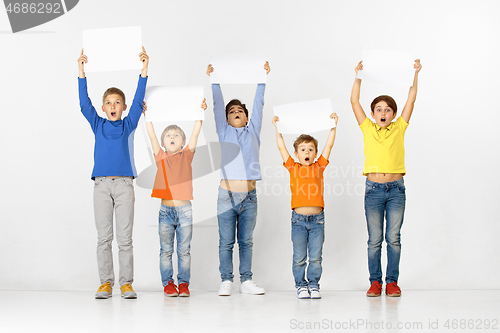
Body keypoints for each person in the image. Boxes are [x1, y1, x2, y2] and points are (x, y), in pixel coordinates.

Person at [77, 47, 149, 299]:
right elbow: (83, 104)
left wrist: (144, 70)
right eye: (108, 103)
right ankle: (105, 283)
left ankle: (126, 283)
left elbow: (140, 100)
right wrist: (81, 72)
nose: (113, 105)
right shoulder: (98, 124)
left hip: (124, 185)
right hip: (101, 186)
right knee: (104, 237)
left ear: (124, 106)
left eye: (117, 102)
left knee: (125, 238)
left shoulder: (129, 124)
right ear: (103, 107)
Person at [350, 59, 422, 297]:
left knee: (394, 238)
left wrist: (415, 73)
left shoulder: (400, 127)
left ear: (393, 113)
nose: (383, 113)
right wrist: (358, 74)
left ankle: (392, 282)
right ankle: (375, 282)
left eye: (388, 109)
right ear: (372, 114)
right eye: (379, 109)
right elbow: (354, 101)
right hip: (373, 190)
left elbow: (411, 99)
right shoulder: (367, 128)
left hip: (396, 191)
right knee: (374, 240)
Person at [206, 61, 270, 296]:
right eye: (231, 111)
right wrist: (214, 81)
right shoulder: (224, 131)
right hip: (227, 195)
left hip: (249, 197)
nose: (235, 113)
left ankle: (246, 280)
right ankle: (226, 280)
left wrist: (262, 77)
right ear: (226, 118)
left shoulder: (253, 130)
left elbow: (259, 103)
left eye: (239, 111)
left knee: (246, 241)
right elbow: (216, 104)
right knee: (225, 242)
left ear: (246, 117)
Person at [144, 99, 206, 297]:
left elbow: (196, 133)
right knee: (166, 250)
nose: (172, 137)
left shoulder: (187, 155)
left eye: (176, 135)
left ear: (182, 142)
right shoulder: (160, 156)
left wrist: (199, 115)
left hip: (185, 211)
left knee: (184, 250)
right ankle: (168, 283)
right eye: (169, 136)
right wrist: (148, 116)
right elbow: (151, 135)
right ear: (163, 143)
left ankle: (184, 284)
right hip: (166, 212)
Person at [272, 114, 338, 299]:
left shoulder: (319, 166)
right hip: (299, 221)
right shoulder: (293, 167)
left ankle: (314, 284)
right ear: (296, 154)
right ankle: (301, 285)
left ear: (315, 153)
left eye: (310, 149)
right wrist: (278, 128)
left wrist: (333, 126)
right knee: (299, 257)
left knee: (315, 257)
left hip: (317, 221)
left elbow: (329, 145)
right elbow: (281, 146)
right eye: (303, 149)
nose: (307, 153)